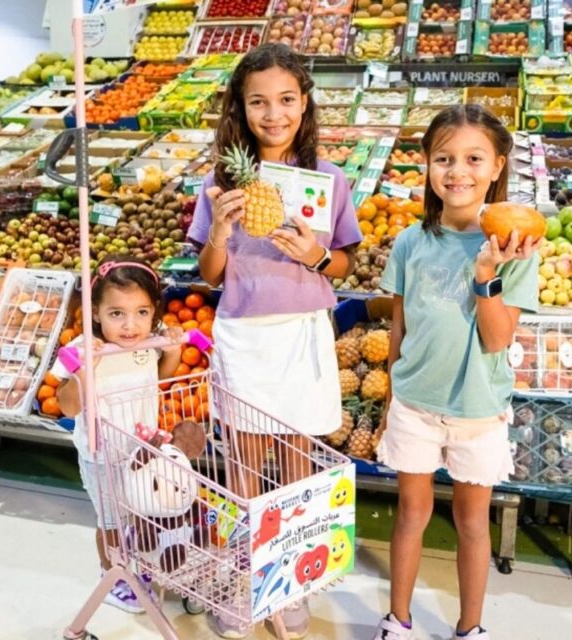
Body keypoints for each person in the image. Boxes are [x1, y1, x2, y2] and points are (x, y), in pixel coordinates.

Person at [186, 43, 362, 639]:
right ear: (240, 106)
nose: (273, 113)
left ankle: (287, 578)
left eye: (286, 99)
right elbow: (211, 275)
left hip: (304, 336)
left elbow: (342, 264)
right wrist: (224, 229)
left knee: (294, 467)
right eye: (258, 101)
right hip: (244, 336)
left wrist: (316, 255)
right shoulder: (219, 182)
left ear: (305, 103)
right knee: (240, 468)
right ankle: (239, 576)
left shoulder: (328, 179)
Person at [372, 104, 539, 640]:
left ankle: (470, 627)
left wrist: (486, 275)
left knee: (472, 524)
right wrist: (389, 397)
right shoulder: (410, 242)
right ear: (425, 165)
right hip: (415, 403)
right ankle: (398, 619)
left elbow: (497, 337)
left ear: (497, 167)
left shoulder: (518, 248)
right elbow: (399, 324)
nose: (457, 171)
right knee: (411, 516)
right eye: (443, 158)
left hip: (478, 410)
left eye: (473, 158)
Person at [52, 256, 183, 614]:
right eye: (116, 314)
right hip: (103, 452)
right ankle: (112, 575)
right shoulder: (83, 347)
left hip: (143, 449)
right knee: (112, 522)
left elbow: (161, 376)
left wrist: (171, 351)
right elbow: (66, 406)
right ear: (95, 313)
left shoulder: (147, 343)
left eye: (142, 312)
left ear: (155, 311)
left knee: (140, 513)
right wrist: (85, 370)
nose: (130, 326)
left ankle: (135, 564)